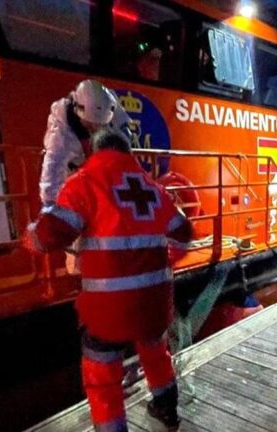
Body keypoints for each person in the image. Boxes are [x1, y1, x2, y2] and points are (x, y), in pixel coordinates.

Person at [25, 130, 193, 432]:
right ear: (127, 152)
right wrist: (169, 260)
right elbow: (184, 230)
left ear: (96, 151)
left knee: (102, 377)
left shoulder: (84, 183)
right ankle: (167, 410)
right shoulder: (152, 188)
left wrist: (31, 237)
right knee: (156, 354)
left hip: (108, 308)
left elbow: (51, 235)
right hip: (154, 302)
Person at [39, 79, 132, 207]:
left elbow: (125, 136)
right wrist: (51, 206)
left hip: (101, 175)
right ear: (79, 112)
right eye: (90, 125)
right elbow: (53, 168)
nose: (95, 129)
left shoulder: (109, 105)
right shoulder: (62, 131)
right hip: (74, 174)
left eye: (100, 125)